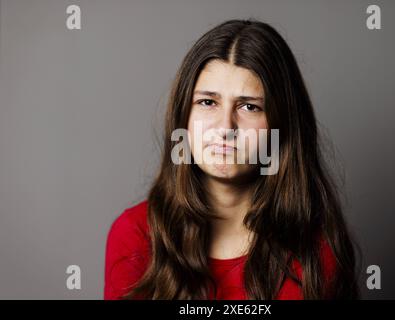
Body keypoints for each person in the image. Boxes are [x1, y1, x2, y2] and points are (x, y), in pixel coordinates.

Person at [104, 18, 359, 300]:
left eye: (249, 107)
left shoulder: (317, 251)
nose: (225, 128)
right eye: (207, 102)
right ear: (183, 116)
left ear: (281, 126)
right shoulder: (136, 237)